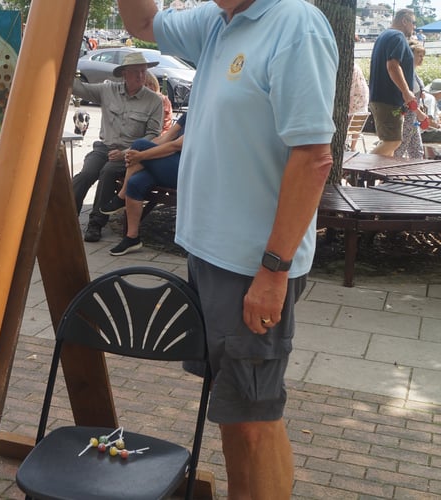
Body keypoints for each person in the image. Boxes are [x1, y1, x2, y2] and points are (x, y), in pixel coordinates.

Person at [117, 1, 337, 499]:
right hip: (213, 256)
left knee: (254, 421)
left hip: (252, 265)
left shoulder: (294, 23)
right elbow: (143, 24)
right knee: (236, 411)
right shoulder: (218, 18)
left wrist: (274, 272)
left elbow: (313, 158)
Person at [71, 51, 163, 242]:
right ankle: (67, 216)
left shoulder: (154, 101)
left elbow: (153, 135)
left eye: (143, 71)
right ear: (124, 74)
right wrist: (66, 67)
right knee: (87, 173)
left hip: (132, 153)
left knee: (108, 172)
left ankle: (96, 223)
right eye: (136, 71)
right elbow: (78, 88)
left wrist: (126, 153)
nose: (141, 76)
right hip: (104, 147)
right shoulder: (108, 90)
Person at [101, 112, 186, 256]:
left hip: (186, 171)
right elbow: (165, 138)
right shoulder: (188, 115)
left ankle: (121, 197)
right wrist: (130, 154)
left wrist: (141, 155)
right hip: (167, 164)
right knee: (135, 182)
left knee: (140, 145)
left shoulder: (207, 117)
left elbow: (176, 146)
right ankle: (132, 237)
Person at [368, 9, 427, 157]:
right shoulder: (397, 36)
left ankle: (380, 178)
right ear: (404, 21)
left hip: (381, 98)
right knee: (393, 142)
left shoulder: (384, 36)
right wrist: (406, 91)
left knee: (391, 147)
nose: (414, 27)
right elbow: (392, 66)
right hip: (388, 100)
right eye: (413, 23)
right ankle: (358, 170)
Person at [395, 41, 428, 160]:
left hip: (413, 117)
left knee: (417, 149)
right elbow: (408, 99)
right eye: (419, 55)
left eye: (423, 55)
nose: (422, 58)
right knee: (401, 147)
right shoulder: (407, 74)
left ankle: (415, 174)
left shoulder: (413, 73)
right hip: (408, 114)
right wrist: (420, 114)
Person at [348, 61, 369, 151]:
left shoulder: (350, 68)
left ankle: (347, 146)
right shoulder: (356, 67)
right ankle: (353, 147)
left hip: (354, 102)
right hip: (362, 104)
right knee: (355, 122)